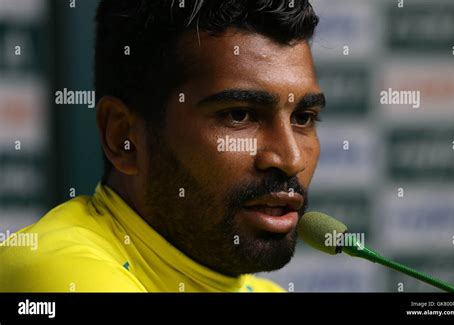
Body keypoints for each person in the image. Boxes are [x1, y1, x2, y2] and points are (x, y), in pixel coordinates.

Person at [0, 0, 324, 292]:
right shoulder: (57, 271)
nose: (290, 159)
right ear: (123, 138)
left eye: (304, 118)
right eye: (239, 115)